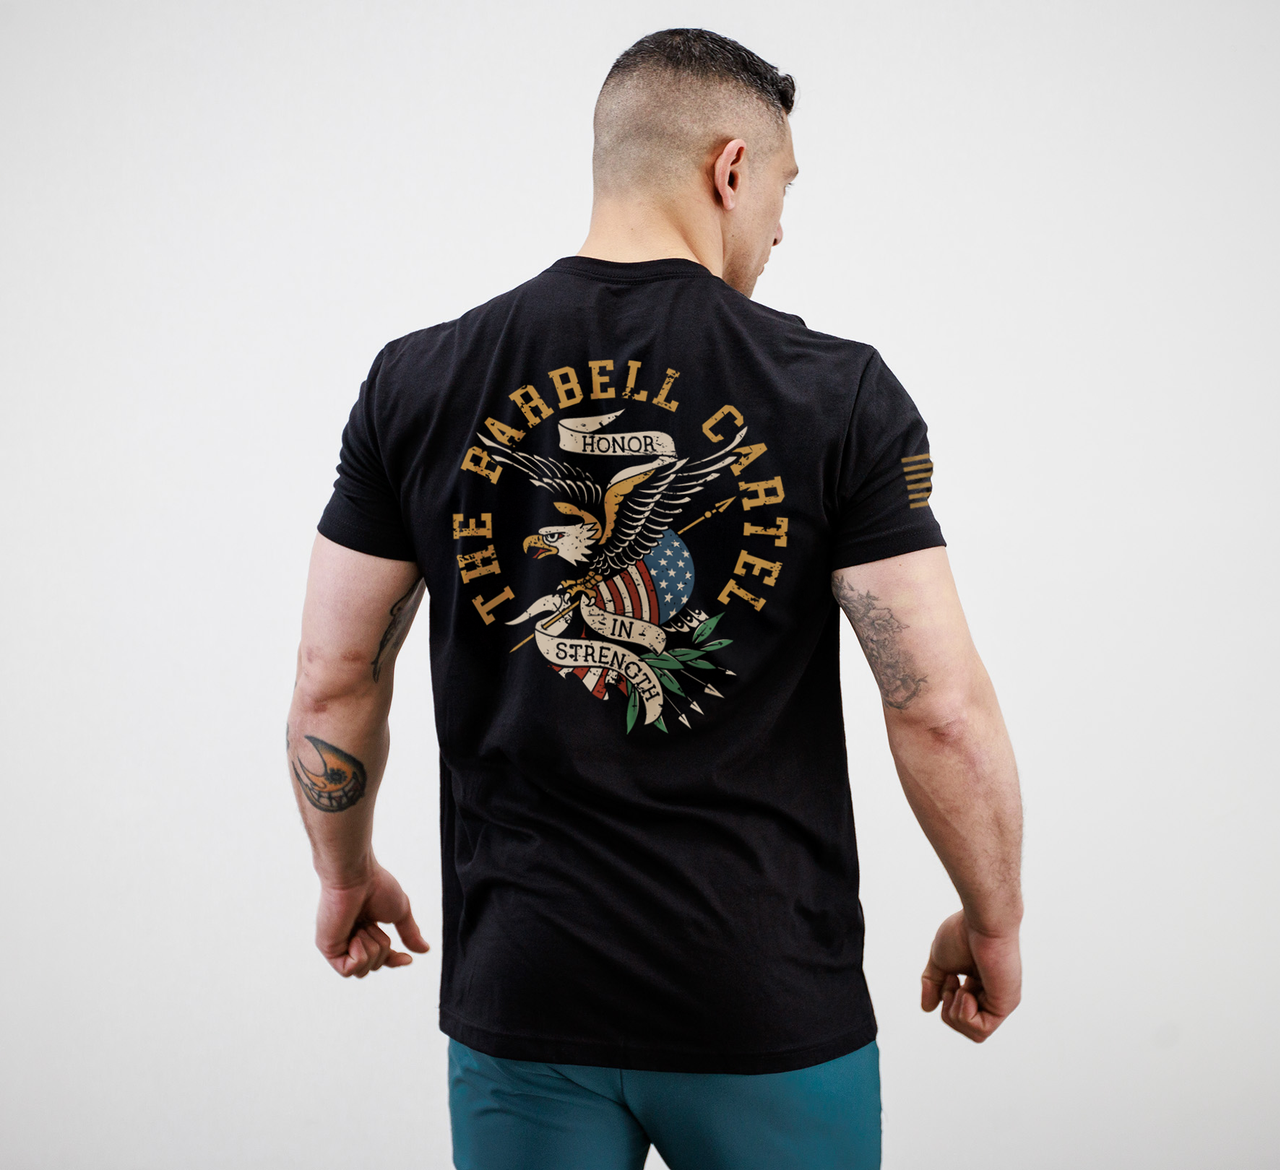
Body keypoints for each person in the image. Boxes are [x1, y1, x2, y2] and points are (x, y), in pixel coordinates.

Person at [286, 27, 1022, 1170]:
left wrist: (343, 874)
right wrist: (993, 919)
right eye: (781, 190)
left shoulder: (416, 382)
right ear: (730, 169)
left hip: (526, 992)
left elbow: (333, 681)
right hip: (763, 999)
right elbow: (937, 708)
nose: (780, 228)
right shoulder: (836, 394)